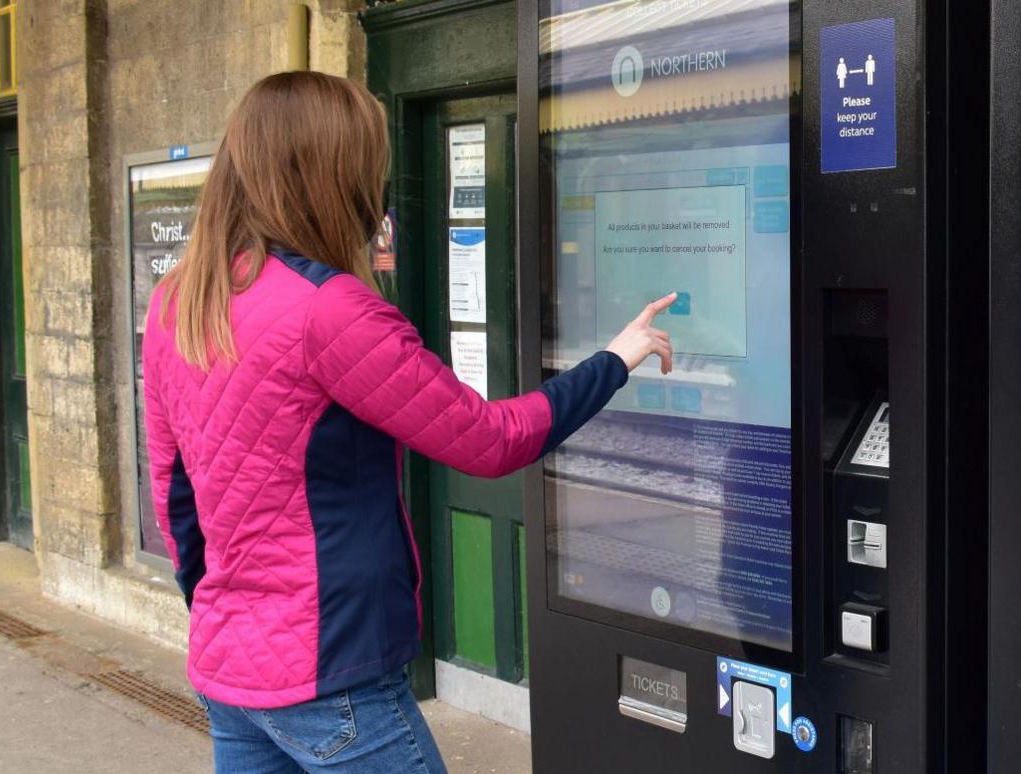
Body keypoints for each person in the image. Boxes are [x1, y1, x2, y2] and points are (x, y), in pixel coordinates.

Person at [142, 71, 675, 773]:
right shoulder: (326, 311)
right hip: (332, 675)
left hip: (230, 669)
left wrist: (226, 615)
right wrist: (614, 359)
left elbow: (173, 494)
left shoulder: (180, 298)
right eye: (370, 167)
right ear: (334, 177)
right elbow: (489, 440)